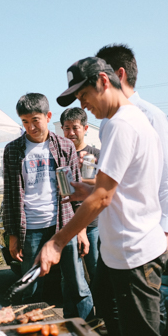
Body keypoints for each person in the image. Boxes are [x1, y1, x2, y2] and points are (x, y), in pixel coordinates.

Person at [38, 57, 168, 336]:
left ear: (104, 81)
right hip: (118, 253)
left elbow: (104, 197)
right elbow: (118, 186)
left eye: (84, 95)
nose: (83, 105)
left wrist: (57, 242)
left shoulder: (120, 124)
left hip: (134, 253)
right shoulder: (127, 120)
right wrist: (86, 189)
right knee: (117, 328)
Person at [96, 44, 168, 334]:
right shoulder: (109, 121)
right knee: (111, 312)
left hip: (141, 237)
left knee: (148, 325)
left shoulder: (151, 116)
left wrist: (165, 229)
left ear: (116, 75)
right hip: (113, 237)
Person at [3, 93, 94, 320]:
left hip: (64, 224)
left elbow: (76, 190)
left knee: (77, 285)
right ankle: (31, 335)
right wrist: (12, 234)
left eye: (35, 120)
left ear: (47, 116)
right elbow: (10, 194)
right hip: (30, 228)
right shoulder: (13, 150)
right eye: (25, 121)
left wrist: (81, 229)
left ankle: (86, 331)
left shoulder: (64, 146)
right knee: (30, 287)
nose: (31, 127)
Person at [59, 107, 100, 283]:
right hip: (67, 222)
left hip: (93, 223)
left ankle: (102, 308)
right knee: (71, 278)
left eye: (75, 127)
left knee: (97, 272)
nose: (71, 133)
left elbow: (107, 184)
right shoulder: (60, 156)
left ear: (85, 128)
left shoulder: (96, 154)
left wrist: (79, 177)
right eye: (67, 128)